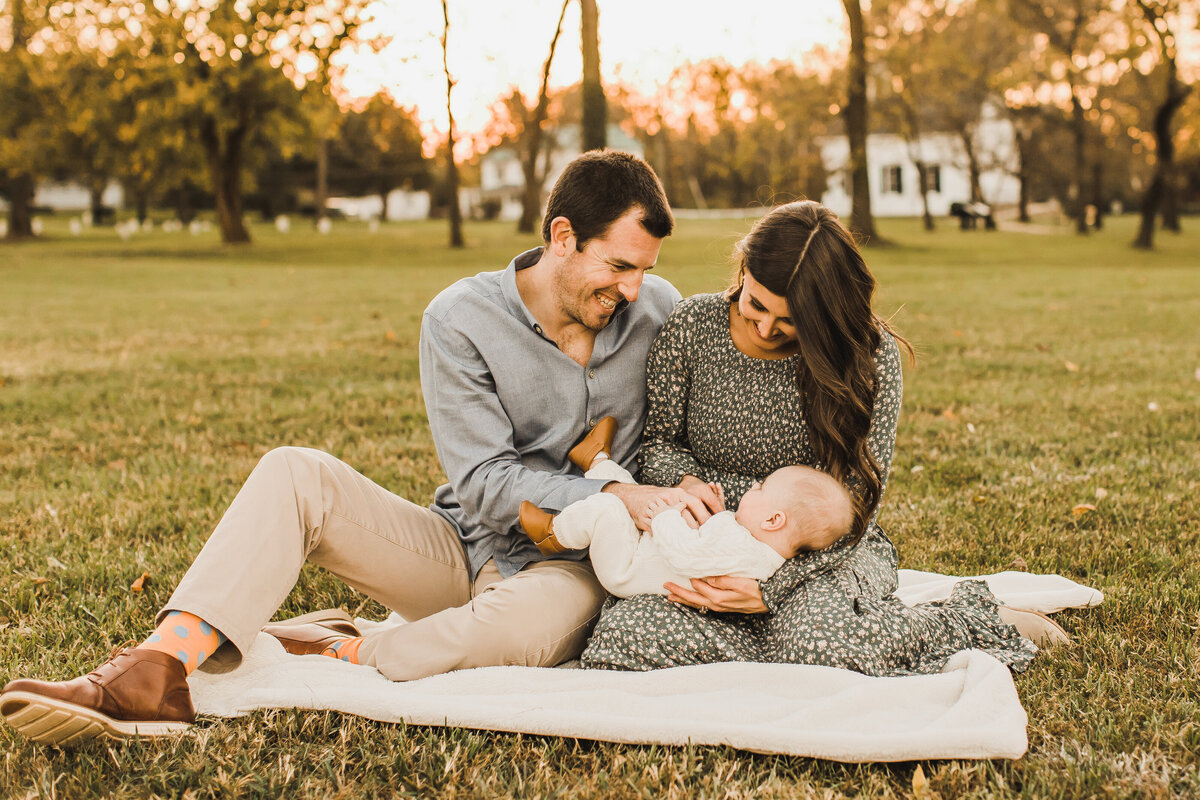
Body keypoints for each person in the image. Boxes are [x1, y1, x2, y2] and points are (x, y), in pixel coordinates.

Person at [0, 151, 707, 746]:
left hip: (575, 567)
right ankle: (156, 670)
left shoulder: (658, 310)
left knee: (528, 626)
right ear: (562, 237)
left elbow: (691, 419)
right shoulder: (460, 319)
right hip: (468, 547)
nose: (634, 287)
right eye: (618, 265)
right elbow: (487, 482)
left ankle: (342, 643)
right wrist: (613, 491)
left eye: (644, 268)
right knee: (295, 473)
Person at [579, 200, 1062, 675]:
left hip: (821, 556)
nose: (766, 327)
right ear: (744, 269)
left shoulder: (867, 357)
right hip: (706, 542)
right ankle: (795, 643)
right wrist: (684, 483)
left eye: (790, 320)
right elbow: (659, 445)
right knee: (626, 638)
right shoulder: (691, 326)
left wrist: (774, 588)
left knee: (823, 644)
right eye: (756, 304)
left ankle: (961, 621)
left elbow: (855, 499)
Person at [517, 417, 853, 597]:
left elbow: (687, 557)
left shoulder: (748, 555)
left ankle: (555, 533)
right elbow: (714, 544)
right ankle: (595, 457)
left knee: (609, 506)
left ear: (774, 520)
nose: (754, 486)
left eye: (761, 488)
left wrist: (665, 518)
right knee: (638, 495)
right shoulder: (755, 546)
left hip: (629, 567)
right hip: (649, 546)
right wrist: (718, 512)